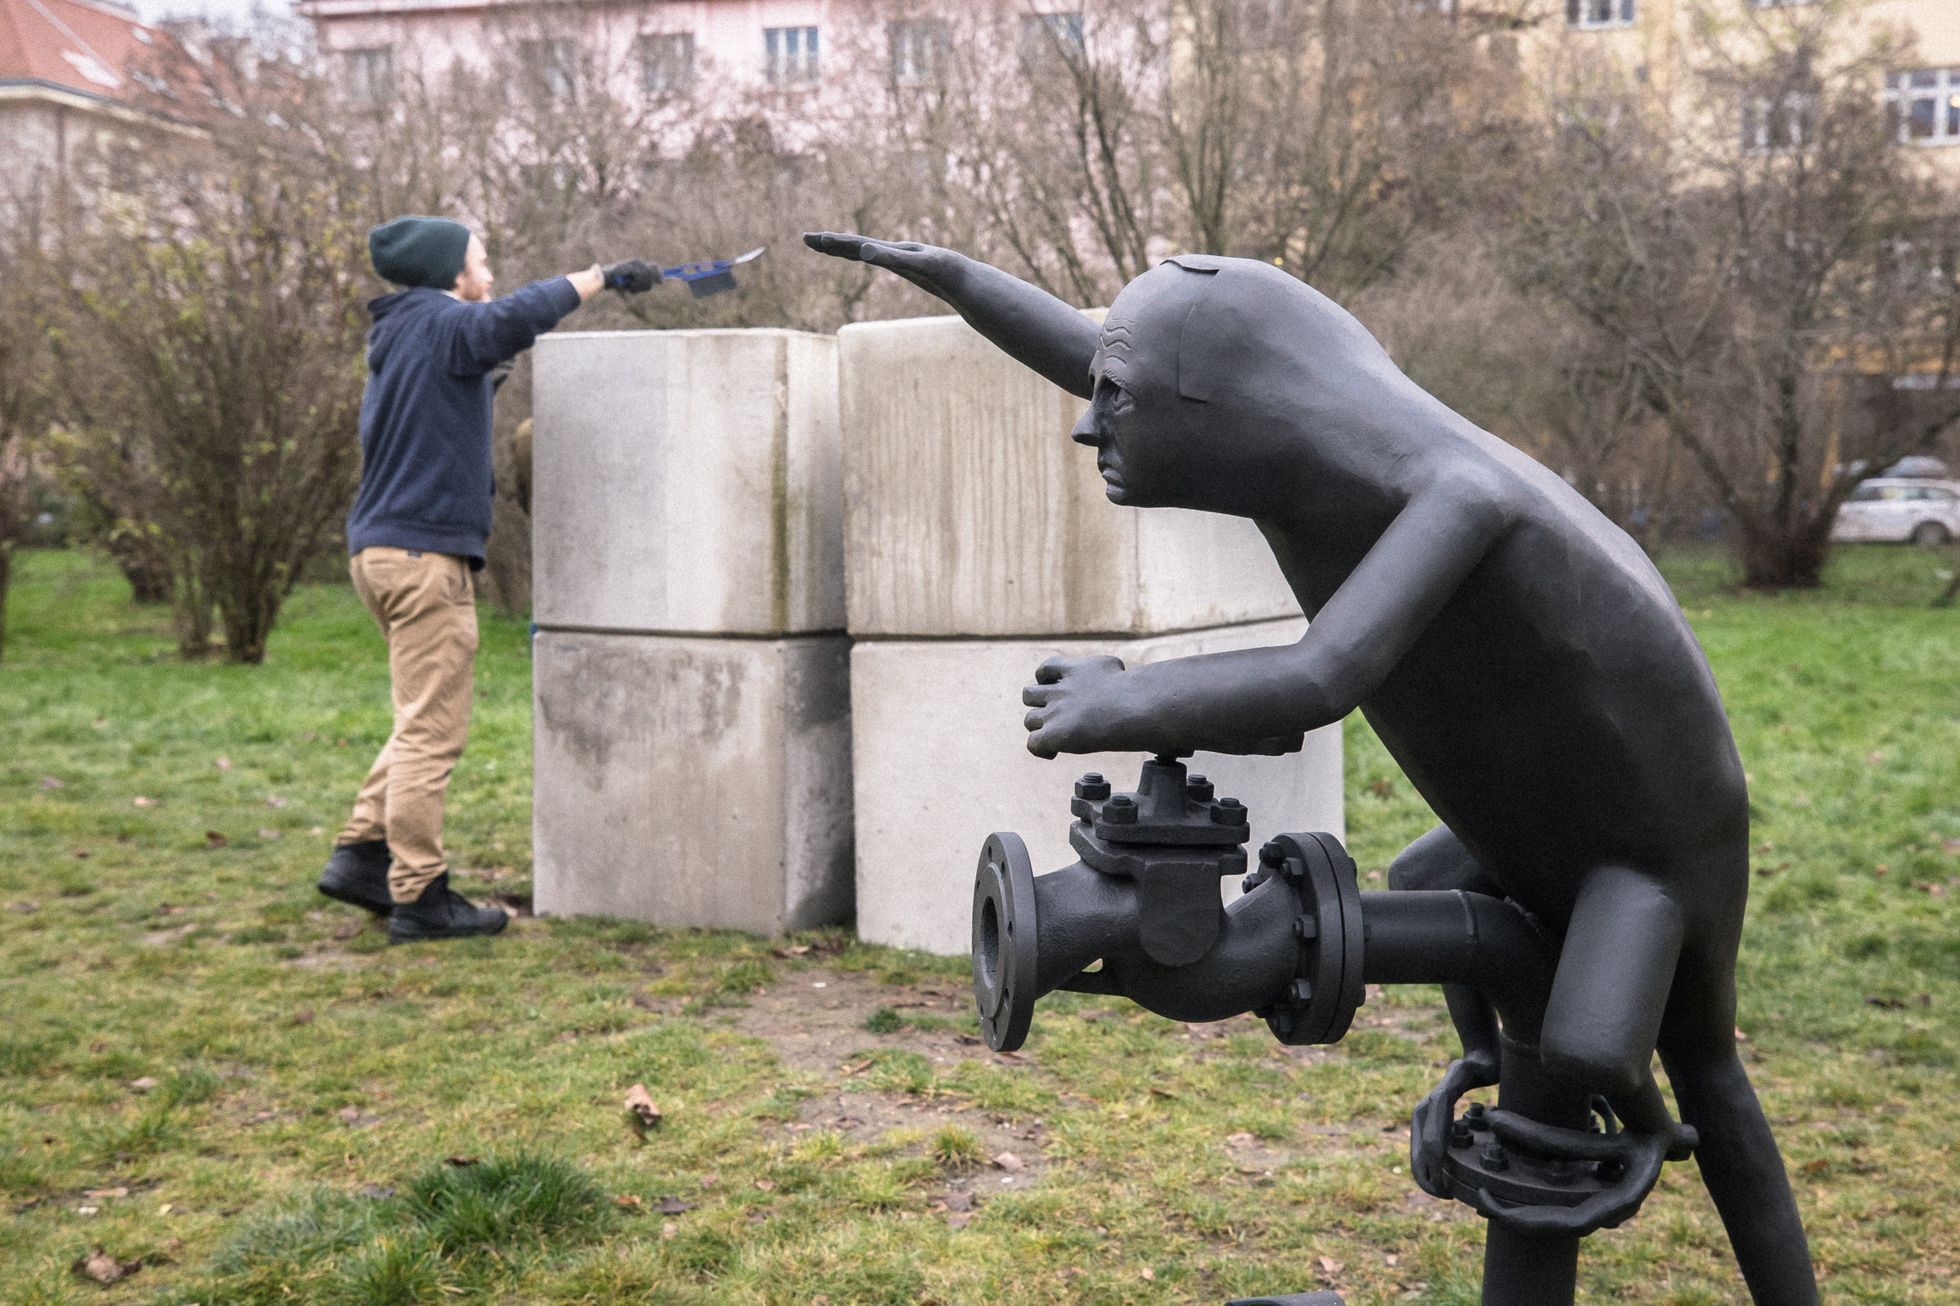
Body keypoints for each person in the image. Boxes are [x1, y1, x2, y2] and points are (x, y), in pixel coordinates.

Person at [804, 231, 1819, 1303]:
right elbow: (1102, 359)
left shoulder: (1451, 490)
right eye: (1097, 388)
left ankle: (1685, 1171)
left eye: (1117, 398)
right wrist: (961, 281)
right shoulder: (1309, 456)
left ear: (1220, 403)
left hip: (1643, 864)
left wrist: (1124, 698)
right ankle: (1508, 1073)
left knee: (1650, 1063)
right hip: (1517, 835)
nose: (1086, 420)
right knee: (1445, 913)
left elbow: (1318, 681)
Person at [319, 216, 659, 943]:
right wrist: (599, 278)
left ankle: (359, 854)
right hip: (422, 561)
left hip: (378, 554)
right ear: (450, 273)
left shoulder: (401, 332)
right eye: (481, 260)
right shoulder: (445, 321)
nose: (490, 272)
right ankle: (418, 894)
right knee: (432, 735)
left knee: (418, 717)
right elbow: (515, 316)